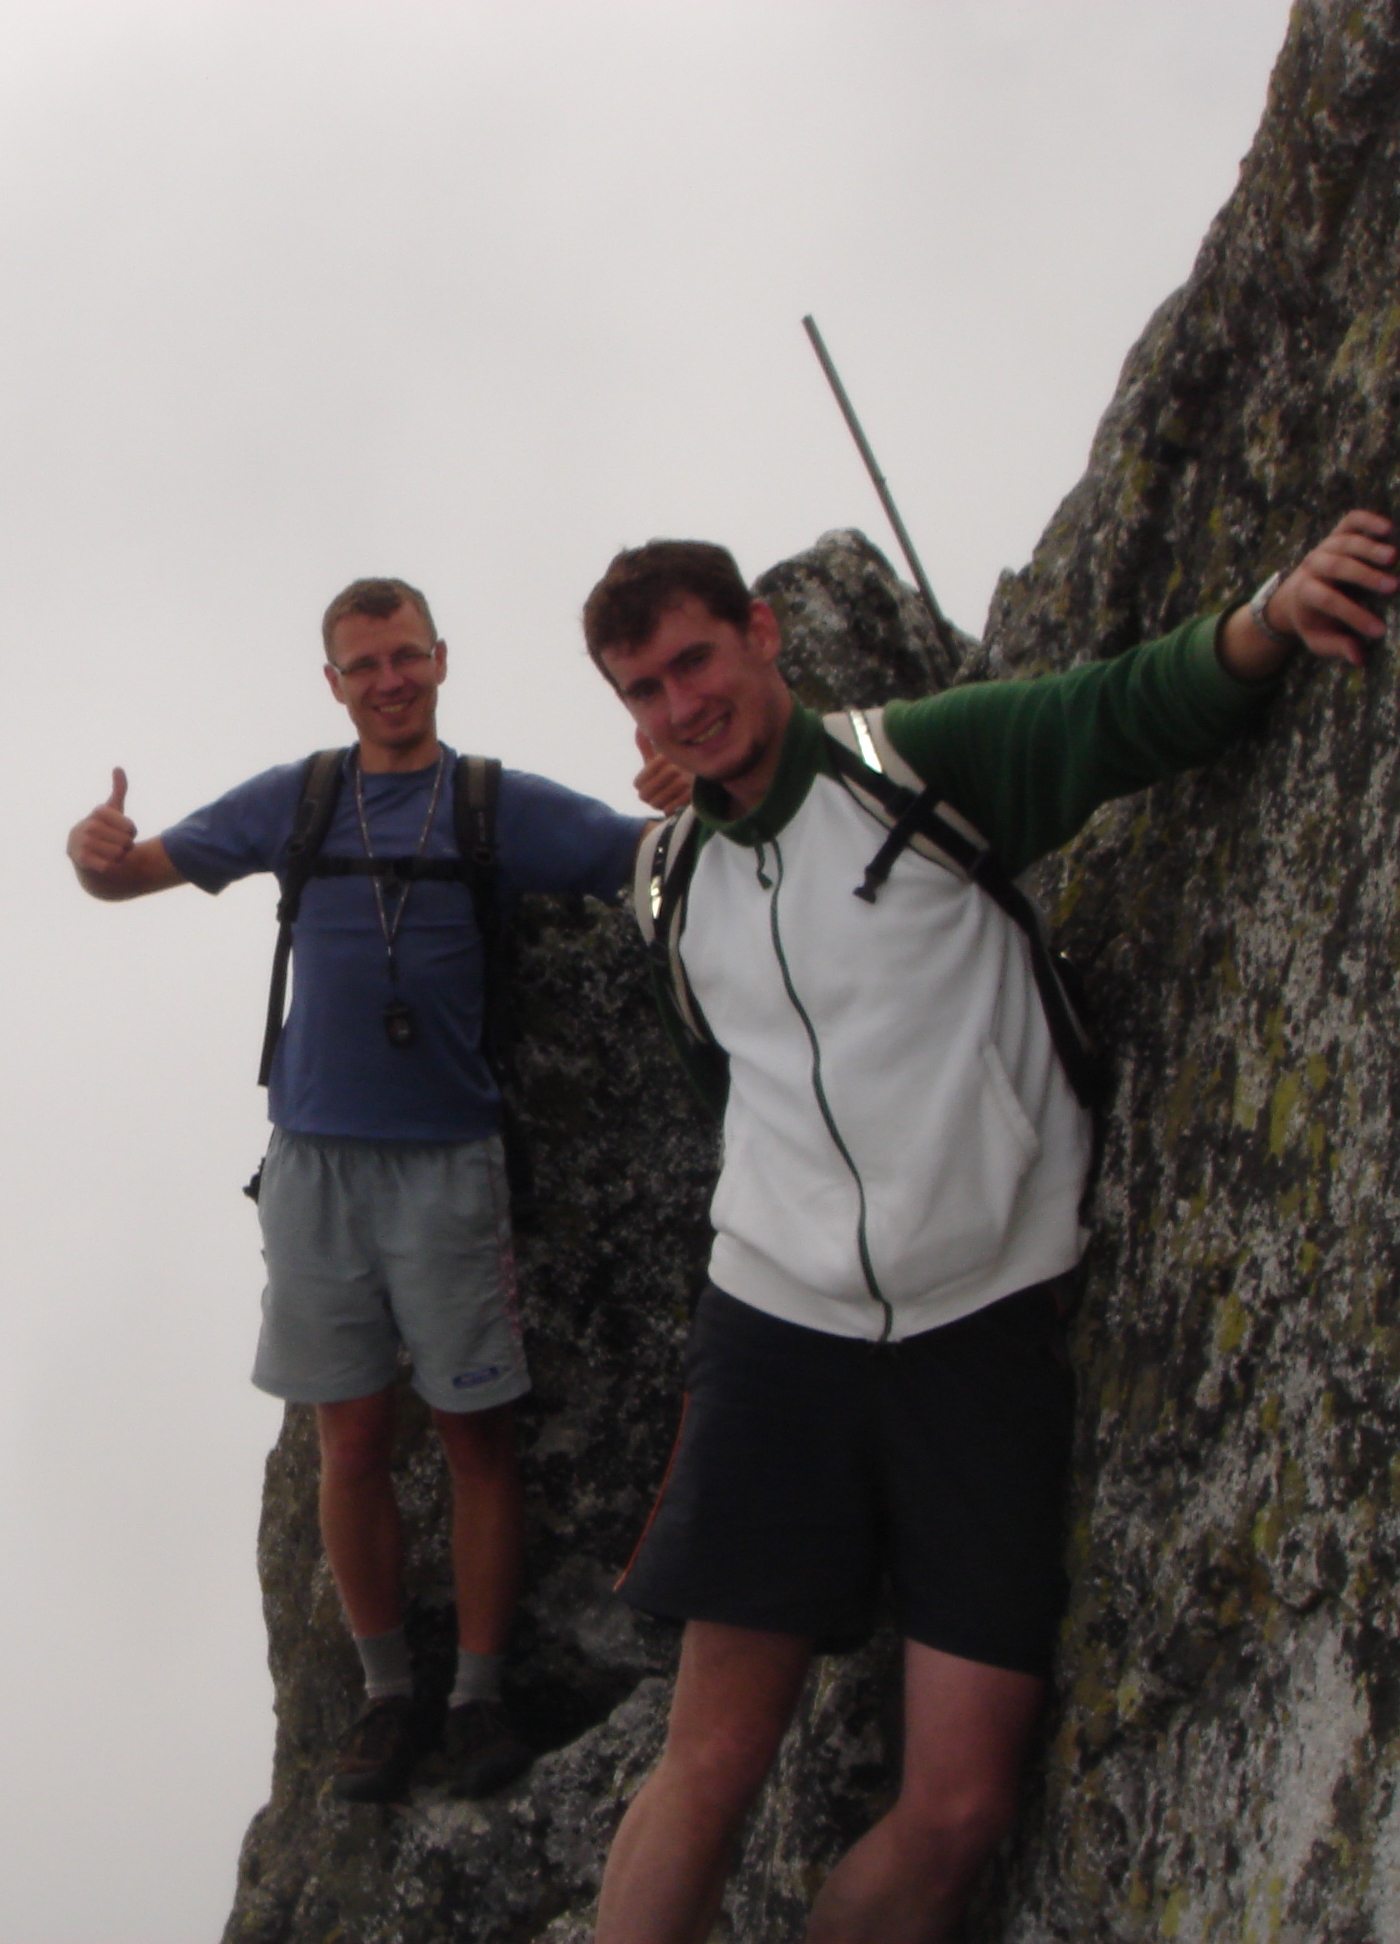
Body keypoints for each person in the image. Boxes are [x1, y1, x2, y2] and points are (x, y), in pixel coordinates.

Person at [579, 510, 1395, 1943]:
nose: (679, 706)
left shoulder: (909, 768)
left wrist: (1270, 613)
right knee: (708, 1761)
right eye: (643, 690)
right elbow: (729, 1087)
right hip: (778, 1337)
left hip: (982, 1330)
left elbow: (1115, 713)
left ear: (761, 633)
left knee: (958, 1809)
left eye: (694, 661)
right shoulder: (675, 886)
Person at [66, 576, 657, 1805]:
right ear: (331, 683)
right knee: (349, 1442)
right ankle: (389, 1699)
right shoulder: (297, 800)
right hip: (313, 1165)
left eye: (405, 657)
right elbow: (130, 879)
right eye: (364, 665)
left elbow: (640, 857)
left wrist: (690, 789)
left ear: (440, 659)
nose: (389, 681)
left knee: (475, 1436)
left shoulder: (493, 804)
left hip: (449, 1164)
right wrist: (95, 856)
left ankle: (478, 1700)